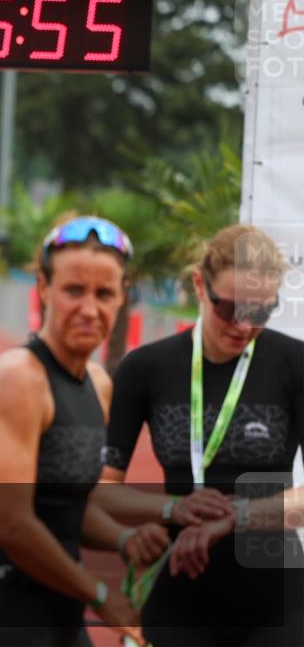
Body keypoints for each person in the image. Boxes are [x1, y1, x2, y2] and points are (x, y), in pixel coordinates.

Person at [0, 216, 166, 647]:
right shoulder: (21, 378)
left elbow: (63, 504)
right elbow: (11, 524)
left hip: (64, 622)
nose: (90, 308)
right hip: (4, 625)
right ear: (45, 288)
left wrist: (125, 539)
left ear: (122, 297)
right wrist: (101, 595)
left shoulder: (98, 384)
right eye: (74, 290)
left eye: (104, 293)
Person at [94, 224, 304, 647]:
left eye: (261, 312)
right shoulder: (146, 369)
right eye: (230, 308)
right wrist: (172, 508)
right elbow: (101, 490)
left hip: (275, 598)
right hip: (178, 592)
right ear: (199, 286)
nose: (244, 325)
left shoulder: (294, 364)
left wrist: (235, 517)